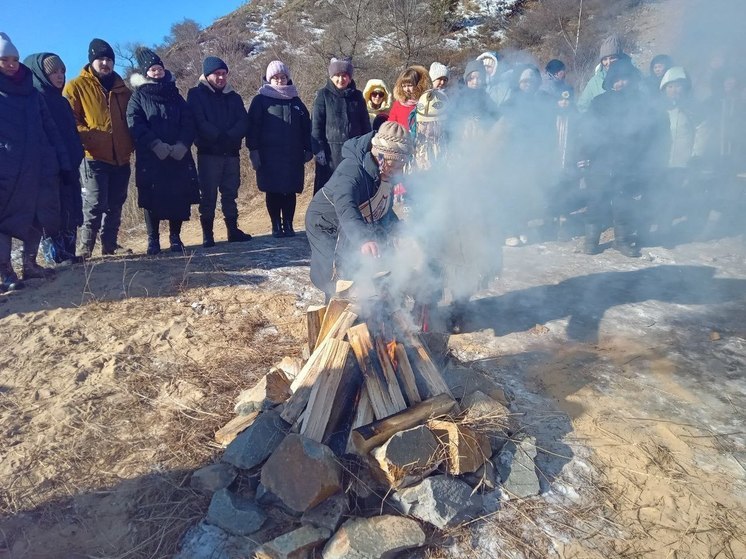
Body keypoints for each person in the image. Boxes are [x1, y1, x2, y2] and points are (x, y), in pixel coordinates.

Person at [305, 121, 413, 301]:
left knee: (374, 266)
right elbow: (346, 205)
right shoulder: (352, 170)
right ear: (380, 157)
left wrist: (399, 231)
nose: (397, 172)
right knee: (339, 275)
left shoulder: (385, 173)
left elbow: (383, 209)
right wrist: (363, 239)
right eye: (393, 166)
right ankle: (336, 316)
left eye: (400, 166)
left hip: (356, 218)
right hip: (326, 221)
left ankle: (377, 313)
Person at [0, 33, 71, 291]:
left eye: (15, 59)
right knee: (4, 219)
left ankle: (29, 265)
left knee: (38, 215)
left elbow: (50, 128)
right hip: (7, 167)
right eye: (4, 59)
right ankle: (5, 272)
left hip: (40, 164)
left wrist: (60, 161)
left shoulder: (32, 91)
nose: (11, 64)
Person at [578, 58, 667, 256]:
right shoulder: (599, 102)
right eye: (616, 80)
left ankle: (622, 241)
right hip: (600, 162)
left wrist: (643, 160)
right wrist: (584, 155)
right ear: (609, 81)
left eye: (624, 79)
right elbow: (587, 131)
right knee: (595, 202)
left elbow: (647, 135)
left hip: (628, 163)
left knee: (623, 204)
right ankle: (591, 241)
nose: (620, 83)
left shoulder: (640, 105)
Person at [63, 38, 134, 257]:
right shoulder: (76, 86)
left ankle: (109, 245)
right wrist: (92, 137)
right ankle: (85, 249)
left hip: (121, 156)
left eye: (109, 59)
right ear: (91, 61)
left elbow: (132, 119)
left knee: (116, 204)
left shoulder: (123, 89)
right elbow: (69, 119)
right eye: (100, 59)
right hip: (93, 156)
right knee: (94, 204)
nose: (105, 63)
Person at [126, 48, 199, 255]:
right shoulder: (138, 97)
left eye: (159, 68)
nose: (156, 72)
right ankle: (153, 240)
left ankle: (175, 238)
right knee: (152, 197)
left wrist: (183, 145)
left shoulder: (175, 94)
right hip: (152, 157)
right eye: (152, 69)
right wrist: (154, 144)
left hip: (177, 155)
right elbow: (135, 122)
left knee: (178, 195)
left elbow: (188, 121)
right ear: (145, 73)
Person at [24, 52, 85, 265]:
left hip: (69, 165)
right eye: (53, 72)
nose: (60, 76)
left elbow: (71, 133)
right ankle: (54, 257)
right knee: (51, 212)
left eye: (62, 72)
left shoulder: (61, 101)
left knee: (70, 207)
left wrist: (76, 153)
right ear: (40, 74)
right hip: (49, 168)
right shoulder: (34, 100)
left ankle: (68, 253)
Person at [187, 56, 251, 248]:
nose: (221, 78)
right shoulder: (195, 94)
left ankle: (233, 229)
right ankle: (208, 234)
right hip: (208, 152)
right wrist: (217, 136)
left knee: (230, 192)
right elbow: (198, 121)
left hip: (231, 152)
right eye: (217, 74)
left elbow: (244, 121)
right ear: (208, 75)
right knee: (208, 195)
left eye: (224, 74)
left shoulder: (234, 96)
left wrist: (230, 136)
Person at [247, 60, 312, 238]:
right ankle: (276, 225)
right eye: (276, 77)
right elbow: (252, 128)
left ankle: (288, 225)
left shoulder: (296, 100)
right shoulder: (260, 100)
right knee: (273, 190)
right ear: (269, 79)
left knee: (290, 191)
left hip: (293, 155)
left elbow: (307, 126)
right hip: (269, 155)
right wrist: (253, 151)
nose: (280, 80)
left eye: (283, 77)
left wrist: (308, 148)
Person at [311, 57, 370, 194]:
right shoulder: (323, 95)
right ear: (331, 77)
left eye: (344, 76)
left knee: (351, 188)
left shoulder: (357, 96)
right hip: (330, 153)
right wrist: (318, 151)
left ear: (349, 78)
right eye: (337, 75)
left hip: (353, 151)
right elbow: (316, 126)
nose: (340, 79)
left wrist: (367, 146)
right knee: (329, 189)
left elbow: (365, 124)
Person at [577, 34, 630, 112]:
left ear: (620, 58)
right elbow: (582, 107)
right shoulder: (595, 81)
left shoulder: (632, 75)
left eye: (612, 58)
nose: (608, 62)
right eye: (605, 59)